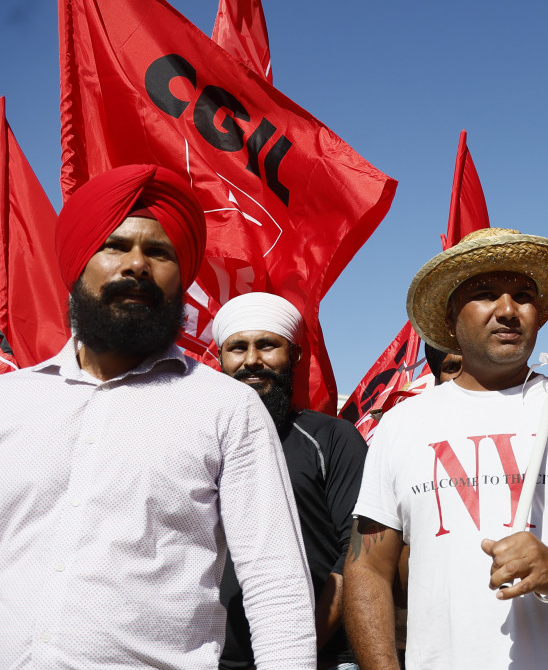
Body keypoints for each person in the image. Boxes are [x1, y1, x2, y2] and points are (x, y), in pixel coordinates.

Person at [0, 164, 315, 669]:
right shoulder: (11, 400)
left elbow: (275, 582)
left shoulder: (226, 407)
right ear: (79, 264)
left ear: (181, 277)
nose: (136, 265)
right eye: (116, 246)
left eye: (158, 252)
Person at [344, 227, 548, 670]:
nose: (508, 310)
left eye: (524, 295)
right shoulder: (400, 425)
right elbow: (367, 568)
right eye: (486, 294)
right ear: (450, 321)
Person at [213, 292, 368, 670]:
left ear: (295, 357)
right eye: (237, 348)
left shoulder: (333, 438)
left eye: (267, 345)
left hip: (321, 658)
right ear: (219, 359)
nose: (252, 360)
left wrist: (294, 652)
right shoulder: (195, 443)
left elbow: (358, 553)